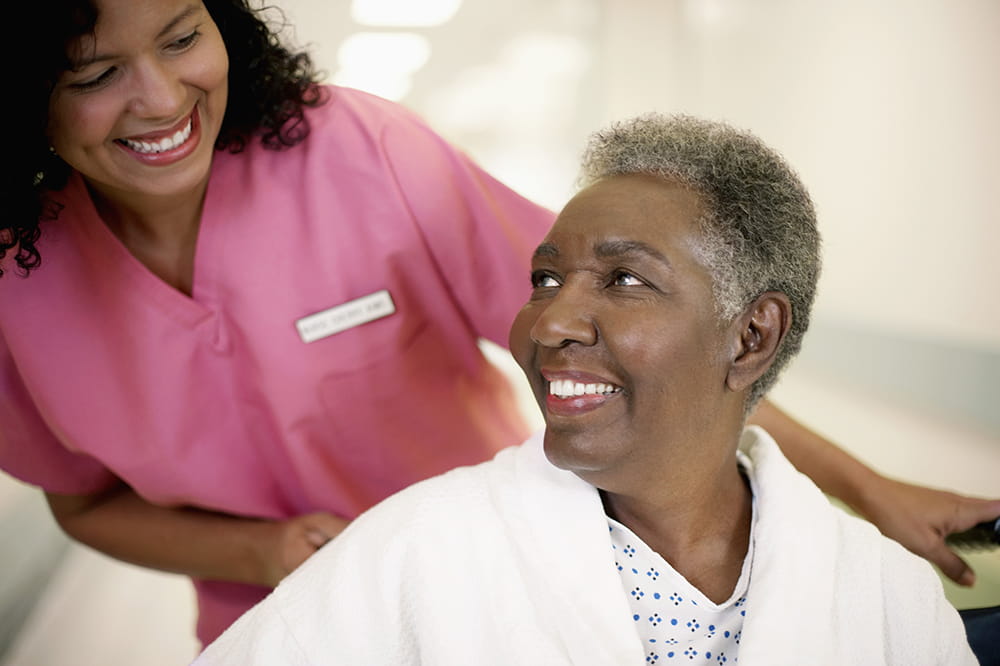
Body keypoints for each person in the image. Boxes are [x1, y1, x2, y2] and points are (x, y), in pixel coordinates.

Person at [1, 0, 996, 649]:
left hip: (501, 585)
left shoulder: (357, 154)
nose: (162, 97)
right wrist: (260, 556)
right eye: (94, 76)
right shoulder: (18, 285)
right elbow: (82, 506)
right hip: (281, 624)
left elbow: (657, 358)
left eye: (182, 37)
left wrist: (871, 489)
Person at [194, 113, 977, 665]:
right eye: (545, 278)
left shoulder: (885, 597)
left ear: (751, 336)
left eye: (625, 279)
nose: (549, 322)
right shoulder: (411, 556)